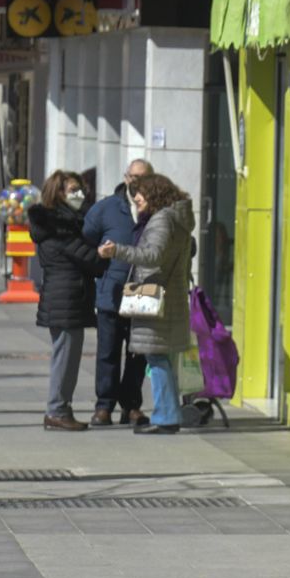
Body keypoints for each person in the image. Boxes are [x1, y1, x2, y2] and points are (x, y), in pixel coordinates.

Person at [98, 174, 195, 436]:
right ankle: (168, 413)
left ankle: (166, 417)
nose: (137, 202)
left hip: (156, 298)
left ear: (153, 194)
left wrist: (117, 250)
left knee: (157, 357)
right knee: (161, 357)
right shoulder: (176, 217)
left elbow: (153, 256)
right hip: (169, 297)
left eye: (139, 197)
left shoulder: (162, 219)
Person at [27, 171, 106, 431]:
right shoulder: (58, 228)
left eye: (80, 189)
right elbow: (91, 260)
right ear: (58, 192)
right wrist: (103, 254)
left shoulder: (64, 223)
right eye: (73, 190)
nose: (79, 195)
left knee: (67, 356)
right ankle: (57, 410)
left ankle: (61, 408)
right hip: (66, 299)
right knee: (65, 357)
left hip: (66, 298)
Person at [84, 159, 152, 426]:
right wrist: (99, 262)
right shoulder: (106, 208)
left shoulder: (158, 209)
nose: (137, 181)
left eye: (143, 177)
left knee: (138, 353)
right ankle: (104, 406)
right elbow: (86, 241)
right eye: (133, 176)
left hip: (144, 290)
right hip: (112, 290)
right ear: (125, 177)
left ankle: (131, 406)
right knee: (108, 352)